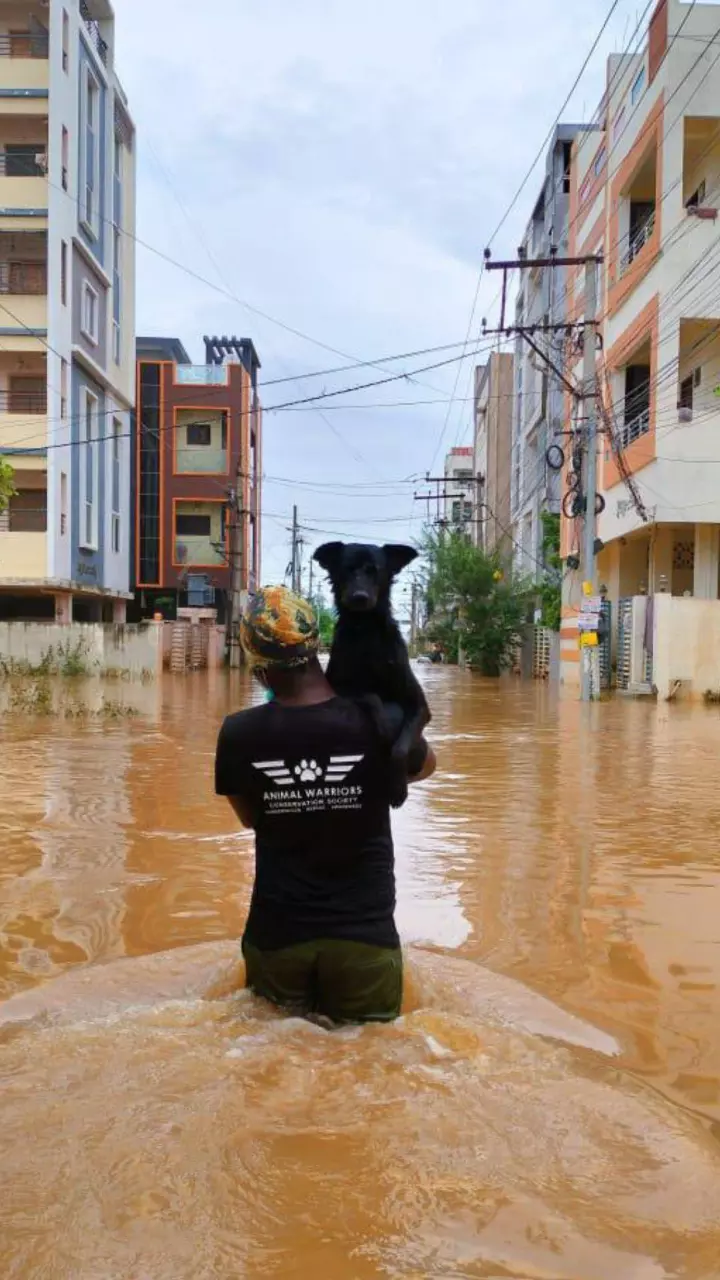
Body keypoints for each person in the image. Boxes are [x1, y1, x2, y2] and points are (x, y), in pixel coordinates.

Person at [215, 585, 435, 1024]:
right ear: (317, 646)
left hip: (279, 935)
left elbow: (249, 819)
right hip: (364, 937)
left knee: (273, 1059)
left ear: (257, 665)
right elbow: (426, 767)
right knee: (370, 1059)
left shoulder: (238, 733)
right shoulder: (379, 721)